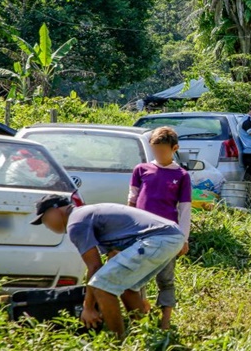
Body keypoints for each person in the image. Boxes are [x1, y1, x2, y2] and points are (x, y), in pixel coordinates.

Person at [30, 196, 185, 339]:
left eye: (44, 219)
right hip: (170, 236)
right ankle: (142, 335)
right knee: (126, 287)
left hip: (159, 238)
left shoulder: (76, 223)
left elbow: (95, 266)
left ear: (55, 210)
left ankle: (118, 343)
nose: (47, 226)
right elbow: (113, 256)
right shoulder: (86, 215)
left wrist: (88, 307)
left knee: (102, 287)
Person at [128, 126, 191, 329]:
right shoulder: (141, 170)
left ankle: (165, 322)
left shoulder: (182, 175)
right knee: (137, 278)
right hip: (141, 234)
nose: (159, 154)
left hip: (167, 235)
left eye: (163, 150)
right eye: (156, 150)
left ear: (174, 149)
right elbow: (131, 202)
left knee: (165, 279)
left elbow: (184, 210)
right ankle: (139, 318)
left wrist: (183, 238)